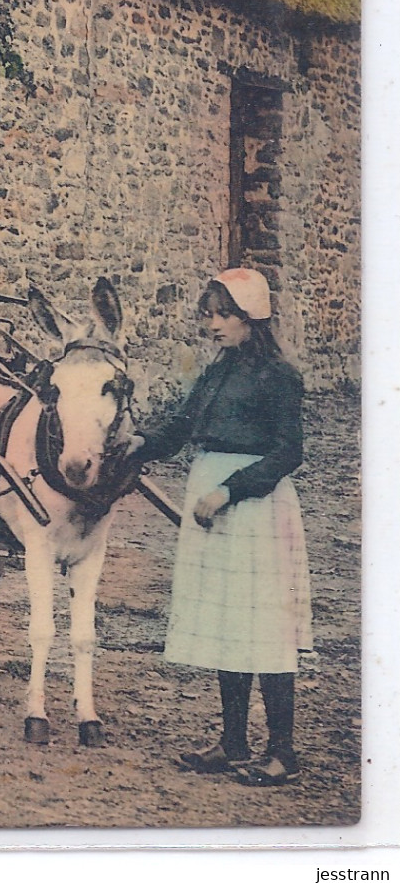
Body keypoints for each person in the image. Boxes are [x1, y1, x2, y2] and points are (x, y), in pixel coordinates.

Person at [131, 268, 309, 787]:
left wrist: (228, 490)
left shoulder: (279, 376)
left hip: (254, 506)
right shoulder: (217, 371)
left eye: (224, 315)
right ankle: (233, 743)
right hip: (209, 494)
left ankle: (282, 752)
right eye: (208, 315)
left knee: (266, 624)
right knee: (229, 622)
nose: (214, 324)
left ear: (253, 318)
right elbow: (183, 425)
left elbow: (288, 451)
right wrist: (139, 443)